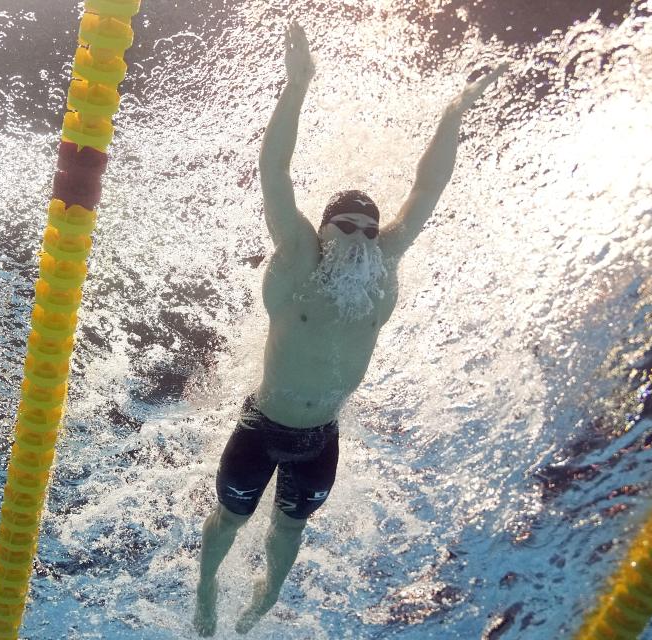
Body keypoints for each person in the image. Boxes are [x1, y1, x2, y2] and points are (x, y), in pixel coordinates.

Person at [194, 19, 506, 636]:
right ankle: (205, 591)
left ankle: (261, 603)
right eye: (350, 227)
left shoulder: (383, 265)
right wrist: (298, 85)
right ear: (324, 228)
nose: (363, 239)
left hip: (320, 438)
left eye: (370, 229)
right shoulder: (300, 259)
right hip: (263, 425)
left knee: (290, 528)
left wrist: (456, 110)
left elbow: (427, 187)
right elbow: (274, 173)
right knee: (229, 520)